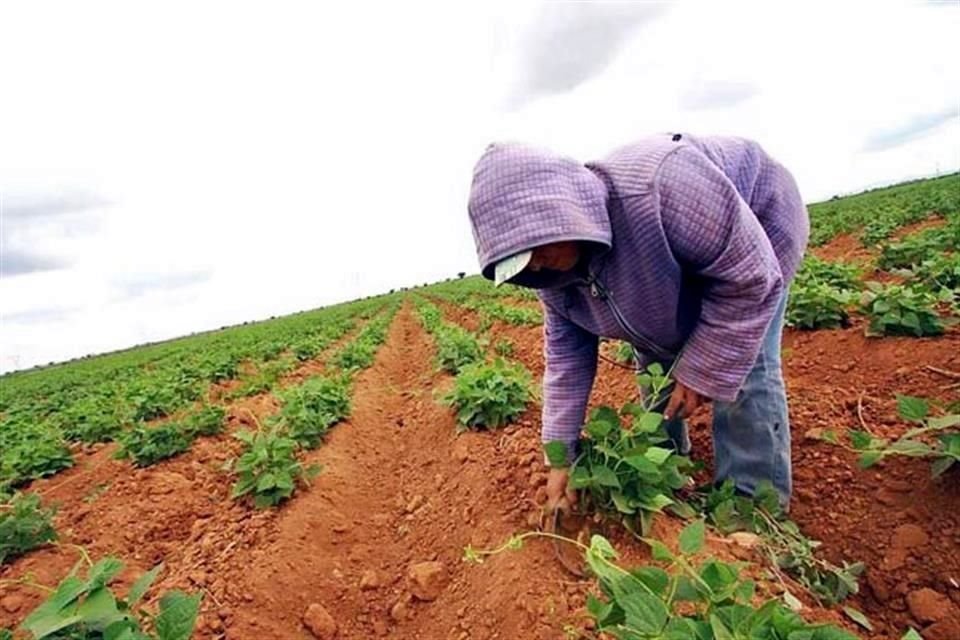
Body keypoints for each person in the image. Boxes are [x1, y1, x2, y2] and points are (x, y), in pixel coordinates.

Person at [466, 133, 809, 514]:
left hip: (756, 226)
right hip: (668, 270)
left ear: (561, 214)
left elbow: (748, 279)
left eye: (537, 251)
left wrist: (704, 368)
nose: (537, 266)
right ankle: (668, 470)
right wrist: (560, 458)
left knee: (742, 364)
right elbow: (566, 364)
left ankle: (752, 506)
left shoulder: (659, 187)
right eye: (521, 264)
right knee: (657, 362)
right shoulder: (552, 278)